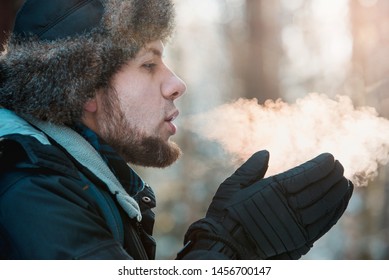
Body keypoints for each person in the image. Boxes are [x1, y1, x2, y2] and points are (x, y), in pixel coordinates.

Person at [0, 0, 353, 260]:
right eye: (149, 64)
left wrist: (235, 252)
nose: (176, 84)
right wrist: (229, 244)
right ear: (84, 87)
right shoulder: (29, 189)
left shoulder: (73, 181)